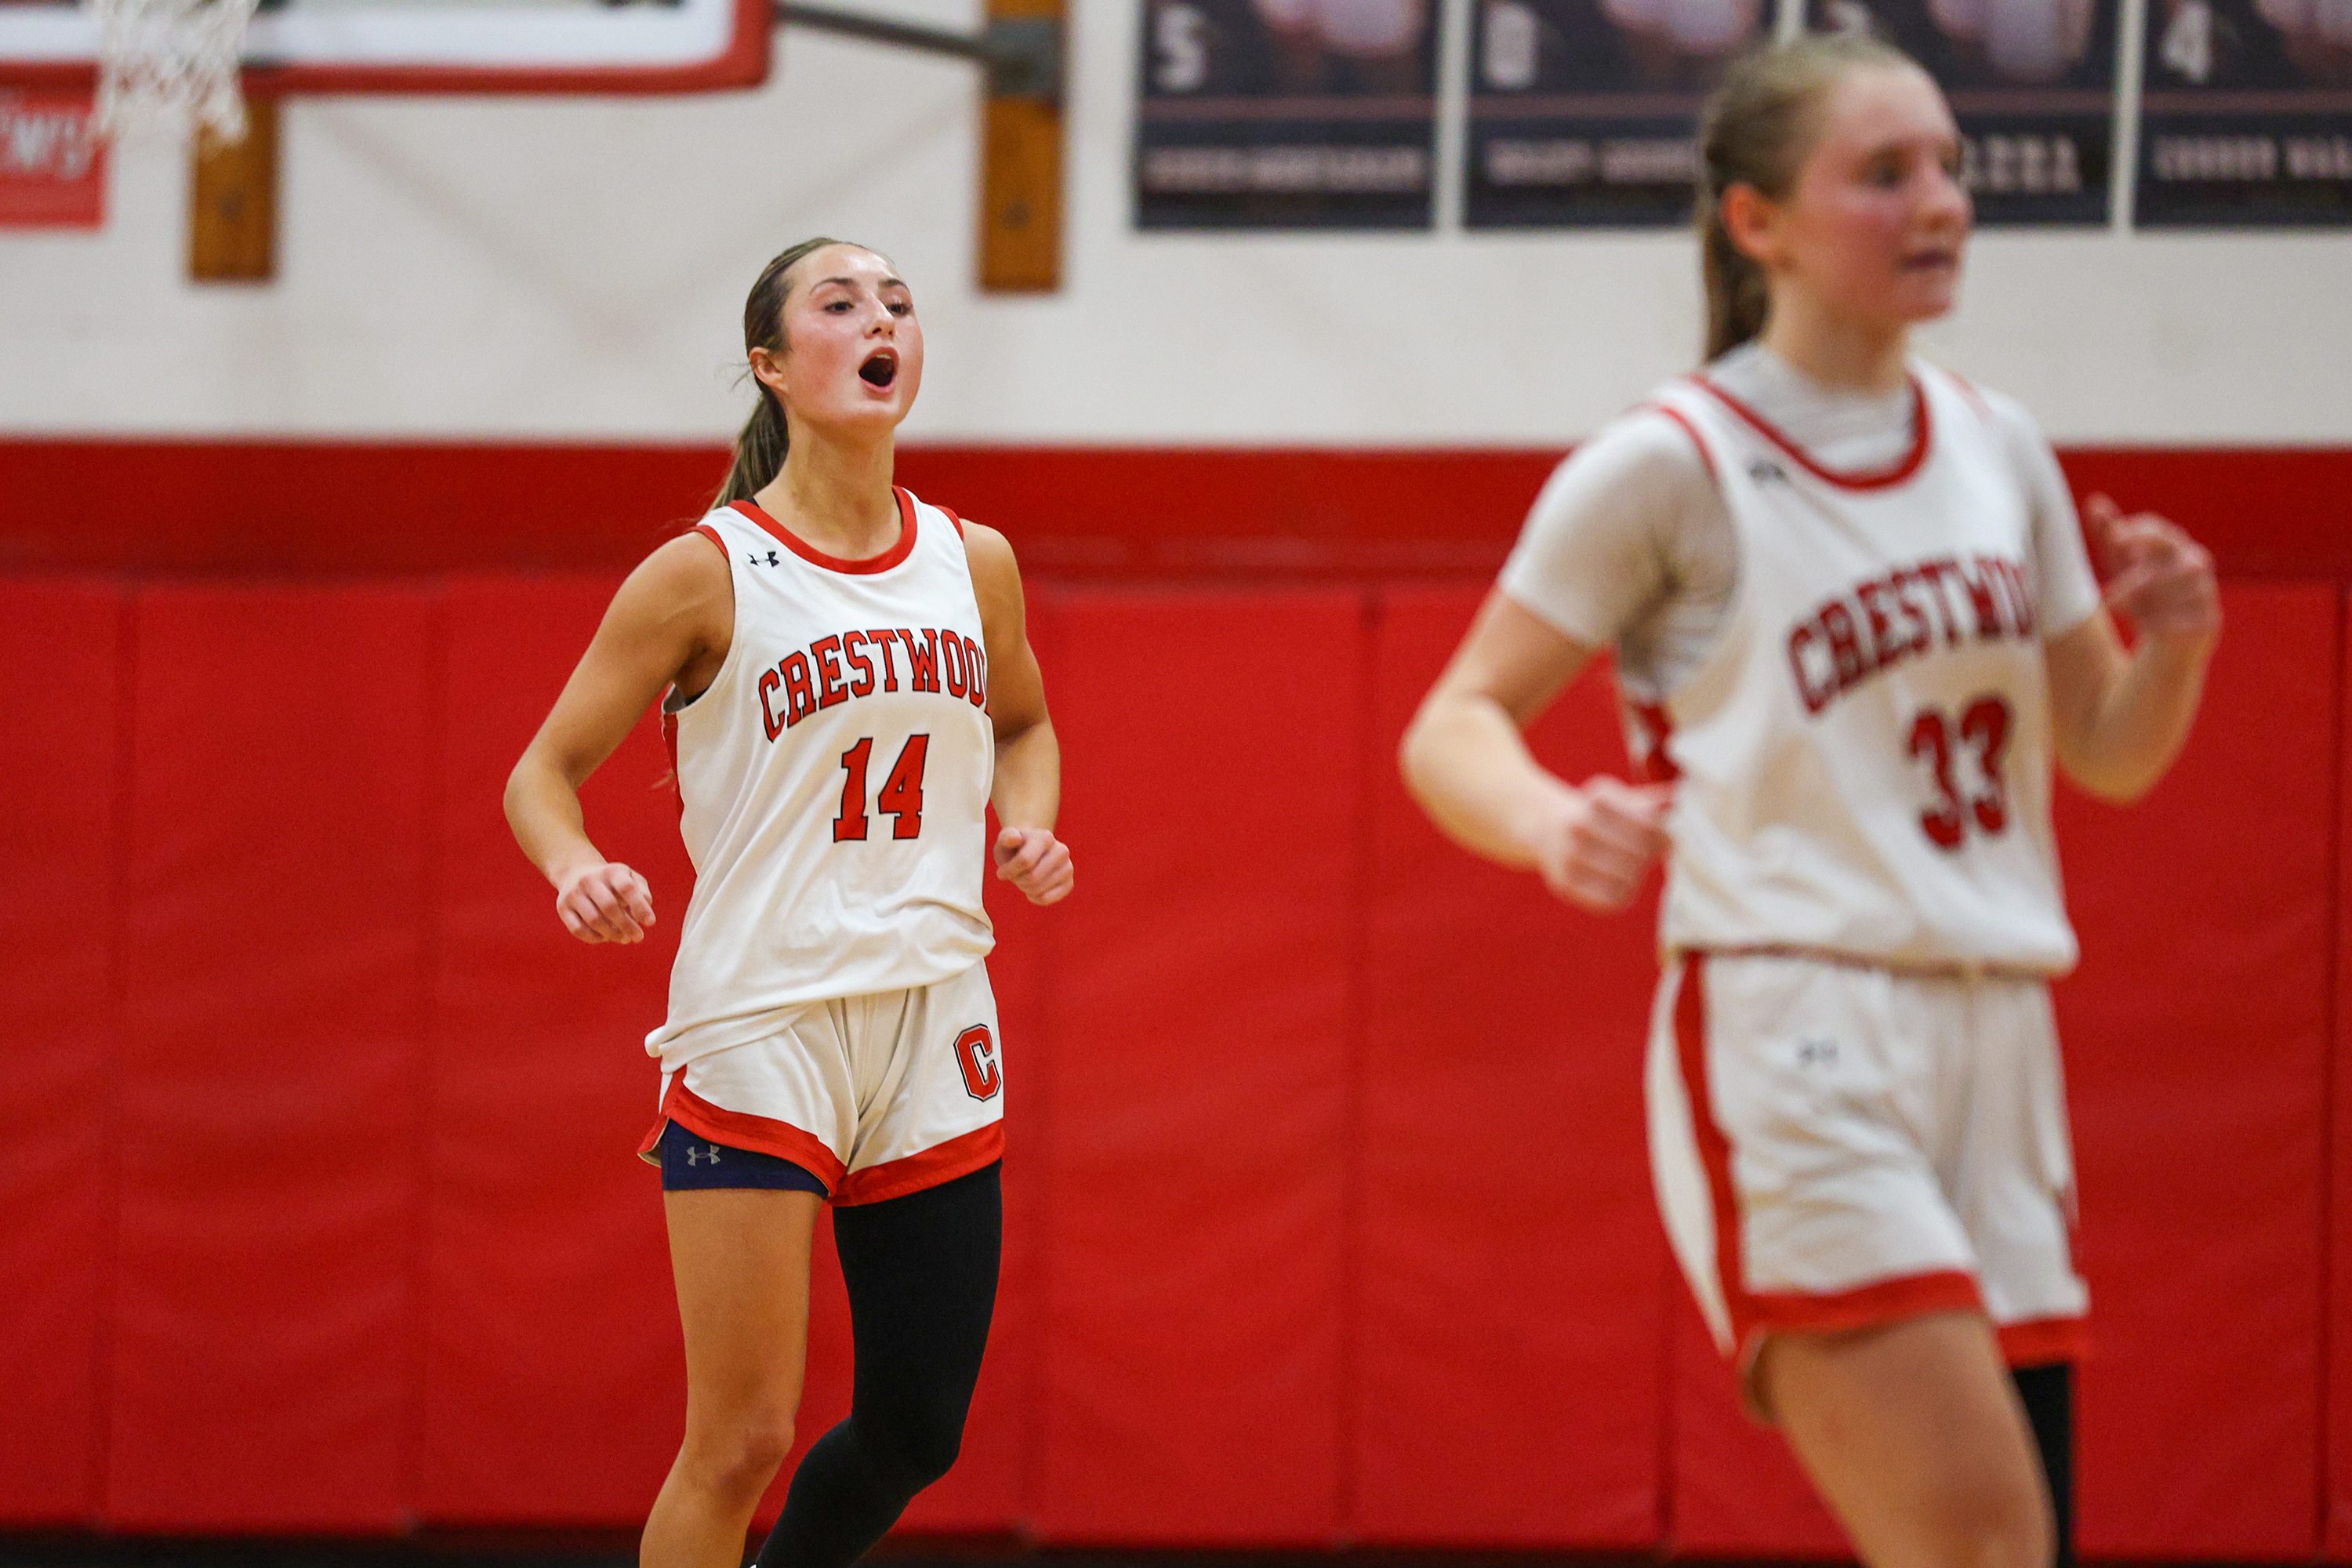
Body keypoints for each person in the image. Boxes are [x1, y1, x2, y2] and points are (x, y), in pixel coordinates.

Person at [1400, 34, 2218, 1568]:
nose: (1944, 205)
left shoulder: (1999, 446)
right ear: (1756, 219)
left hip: (2000, 1033)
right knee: (1974, 1541)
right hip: (1798, 1025)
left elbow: (2106, 748)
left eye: (1954, 169)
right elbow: (1451, 721)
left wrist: (2176, 641)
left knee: (2018, 1546)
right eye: (1887, 173)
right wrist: (1547, 817)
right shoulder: (1672, 464)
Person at [504, 237, 1073, 1568]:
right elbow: (541, 776)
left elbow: (1030, 725)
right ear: (770, 364)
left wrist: (1027, 824)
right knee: (741, 1440)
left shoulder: (972, 559)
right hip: (766, 1017)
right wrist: (575, 865)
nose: (881, 320)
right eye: (841, 303)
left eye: (899, 303)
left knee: (920, 1431)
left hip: (935, 1013)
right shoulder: (703, 573)